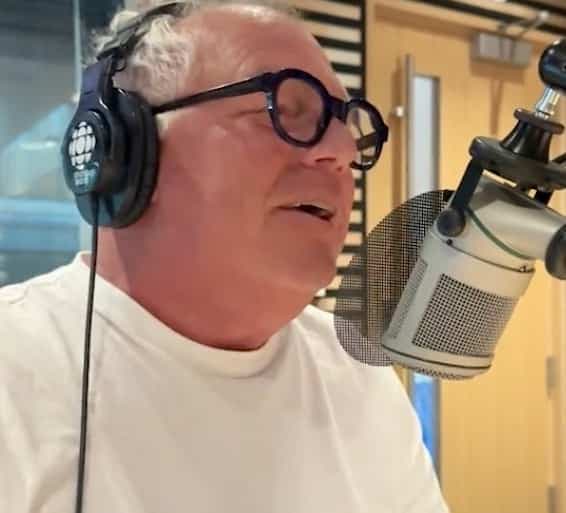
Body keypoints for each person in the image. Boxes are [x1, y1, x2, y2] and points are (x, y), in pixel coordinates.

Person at [0, 1, 450, 512]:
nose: (343, 150)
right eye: (284, 110)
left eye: (346, 124)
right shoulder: (14, 372)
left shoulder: (357, 374)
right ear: (128, 150)